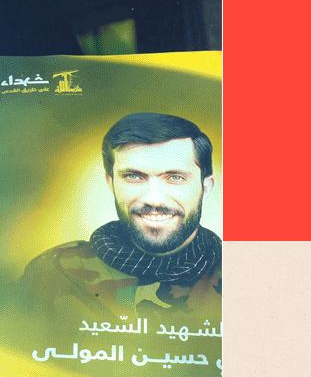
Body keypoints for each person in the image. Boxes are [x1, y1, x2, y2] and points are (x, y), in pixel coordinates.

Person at [18, 111, 221, 325]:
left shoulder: (244, 277)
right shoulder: (53, 271)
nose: (153, 199)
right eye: (133, 176)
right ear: (111, 183)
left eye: (175, 177)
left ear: (205, 188)